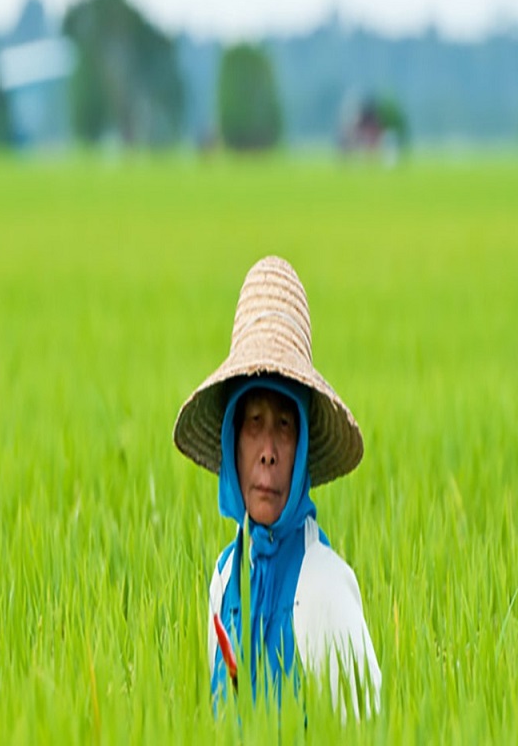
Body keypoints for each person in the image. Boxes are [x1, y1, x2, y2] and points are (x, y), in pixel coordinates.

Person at [172, 255, 381, 716]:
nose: (267, 449)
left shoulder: (324, 589)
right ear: (232, 438)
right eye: (253, 423)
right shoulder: (224, 581)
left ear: (303, 445)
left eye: (285, 425)